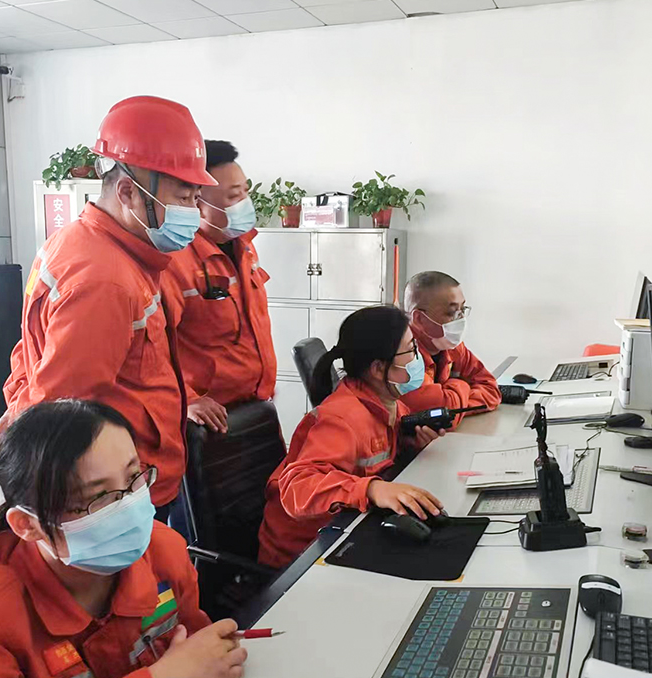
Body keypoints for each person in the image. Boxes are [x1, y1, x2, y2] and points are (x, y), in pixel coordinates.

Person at [0, 399, 248, 678]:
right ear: (28, 525)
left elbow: (201, 649)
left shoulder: (163, 551)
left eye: (134, 477)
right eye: (98, 497)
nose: (129, 506)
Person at [0, 96, 217, 520]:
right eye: (183, 197)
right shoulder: (104, 279)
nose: (193, 212)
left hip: (131, 478)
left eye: (195, 197)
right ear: (128, 193)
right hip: (117, 493)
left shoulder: (99, 247)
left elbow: (35, 356)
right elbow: (64, 412)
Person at [258, 305, 446, 569]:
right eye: (410, 350)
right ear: (378, 368)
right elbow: (297, 487)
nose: (418, 360)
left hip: (348, 528)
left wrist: (410, 445)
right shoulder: (341, 419)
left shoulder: (389, 404)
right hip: (303, 555)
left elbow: (375, 456)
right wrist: (371, 489)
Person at [162, 140, 275, 434]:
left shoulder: (244, 246)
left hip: (256, 404)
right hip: (210, 421)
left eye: (246, 191)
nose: (245, 202)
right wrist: (187, 399)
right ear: (198, 203)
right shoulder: (174, 261)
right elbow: (153, 348)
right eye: (234, 195)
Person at [400, 271, 501, 423]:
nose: (461, 319)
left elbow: (491, 390)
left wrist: (455, 402)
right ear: (419, 319)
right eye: (452, 312)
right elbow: (441, 414)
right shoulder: (402, 357)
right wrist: (462, 385)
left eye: (463, 310)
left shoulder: (452, 347)